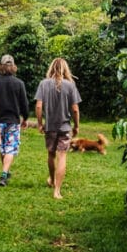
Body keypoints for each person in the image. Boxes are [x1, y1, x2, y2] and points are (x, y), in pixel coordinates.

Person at [34, 57, 81, 200]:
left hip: (50, 127)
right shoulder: (70, 85)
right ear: (65, 69)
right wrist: (77, 126)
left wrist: (40, 123)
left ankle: (52, 179)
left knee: (51, 154)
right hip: (65, 127)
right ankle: (57, 191)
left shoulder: (43, 84)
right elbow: (75, 109)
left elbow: (38, 106)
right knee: (62, 156)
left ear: (51, 68)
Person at [0, 54, 30, 187]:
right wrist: (25, 117)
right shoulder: (19, 83)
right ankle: (4, 173)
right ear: (13, 66)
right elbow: (24, 103)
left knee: (2, 147)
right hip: (13, 120)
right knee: (10, 148)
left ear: (1, 66)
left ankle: (5, 171)